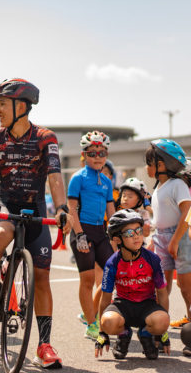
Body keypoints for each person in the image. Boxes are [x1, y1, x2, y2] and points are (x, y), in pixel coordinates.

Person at [0, 78, 71, 369]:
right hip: (7, 204)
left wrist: (61, 208)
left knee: (42, 277)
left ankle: (44, 345)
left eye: (2, 104)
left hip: (35, 207)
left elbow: (55, 176)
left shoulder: (45, 137)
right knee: (3, 231)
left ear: (21, 106)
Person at [95, 209, 170, 360]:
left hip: (147, 305)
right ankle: (124, 334)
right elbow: (105, 298)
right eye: (130, 233)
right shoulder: (112, 263)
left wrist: (162, 333)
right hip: (122, 305)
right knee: (108, 321)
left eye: (138, 231)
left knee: (162, 321)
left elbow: (162, 293)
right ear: (117, 239)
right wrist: (102, 332)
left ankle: (146, 334)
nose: (136, 236)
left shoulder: (153, 259)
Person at [145, 139, 191, 355]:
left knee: (186, 289)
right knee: (162, 288)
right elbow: (159, 218)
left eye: (149, 163)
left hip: (179, 238)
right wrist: (153, 239)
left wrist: (175, 240)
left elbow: (187, 213)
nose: (147, 167)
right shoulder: (158, 187)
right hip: (161, 238)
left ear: (161, 165)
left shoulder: (177, 185)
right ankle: (160, 334)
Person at [67, 131, 115, 339]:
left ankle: (93, 314)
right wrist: (79, 235)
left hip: (100, 232)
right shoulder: (78, 178)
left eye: (101, 153)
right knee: (87, 280)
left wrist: (116, 233)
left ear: (106, 155)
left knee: (111, 275)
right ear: (84, 155)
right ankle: (91, 324)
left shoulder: (106, 181)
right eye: (92, 153)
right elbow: (71, 209)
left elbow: (111, 211)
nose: (97, 157)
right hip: (82, 231)